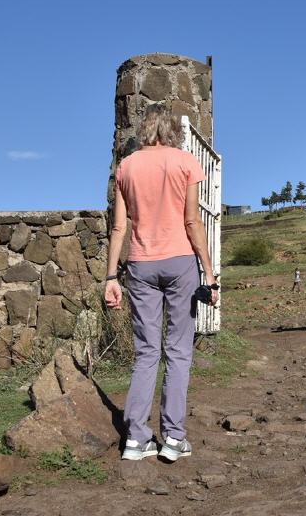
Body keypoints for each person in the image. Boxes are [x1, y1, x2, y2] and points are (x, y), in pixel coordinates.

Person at [104, 104, 220, 462]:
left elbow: (119, 228)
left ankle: (136, 440)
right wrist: (210, 275)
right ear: (172, 131)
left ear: (144, 130)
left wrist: (110, 277)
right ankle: (172, 438)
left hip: (140, 264)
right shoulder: (186, 162)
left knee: (146, 353)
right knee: (179, 351)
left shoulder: (126, 167)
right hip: (180, 262)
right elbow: (192, 223)